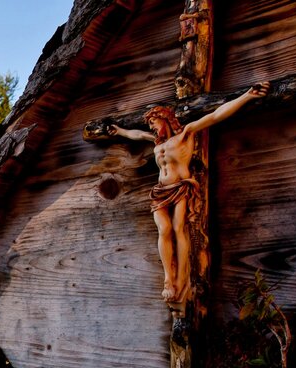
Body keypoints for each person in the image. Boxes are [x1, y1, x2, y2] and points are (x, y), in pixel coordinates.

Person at [108, 82, 269, 302]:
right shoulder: (156, 142)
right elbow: (136, 135)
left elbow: (214, 116)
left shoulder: (185, 134)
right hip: (160, 190)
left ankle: (182, 277)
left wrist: (246, 96)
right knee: (164, 230)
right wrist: (119, 131)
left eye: (154, 122)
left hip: (181, 187)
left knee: (178, 228)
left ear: (164, 118)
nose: (152, 128)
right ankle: (168, 279)